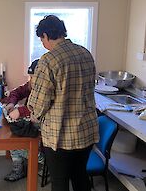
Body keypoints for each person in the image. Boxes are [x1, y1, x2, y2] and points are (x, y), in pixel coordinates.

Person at [27, 15, 99, 191]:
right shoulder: (85, 53)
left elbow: (40, 103)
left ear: (45, 35)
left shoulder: (48, 60)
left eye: (41, 39)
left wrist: (31, 114)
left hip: (60, 135)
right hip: (86, 131)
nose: (43, 44)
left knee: (59, 181)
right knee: (80, 176)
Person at [2, 59, 39, 182]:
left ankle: (41, 160)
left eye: (33, 77)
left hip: (42, 127)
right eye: (30, 77)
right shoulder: (31, 85)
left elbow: (38, 108)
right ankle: (21, 166)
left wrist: (20, 111)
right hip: (31, 122)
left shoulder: (46, 90)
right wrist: (11, 103)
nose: (31, 80)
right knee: (13, 134)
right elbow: (16, 92)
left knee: (14, 142)